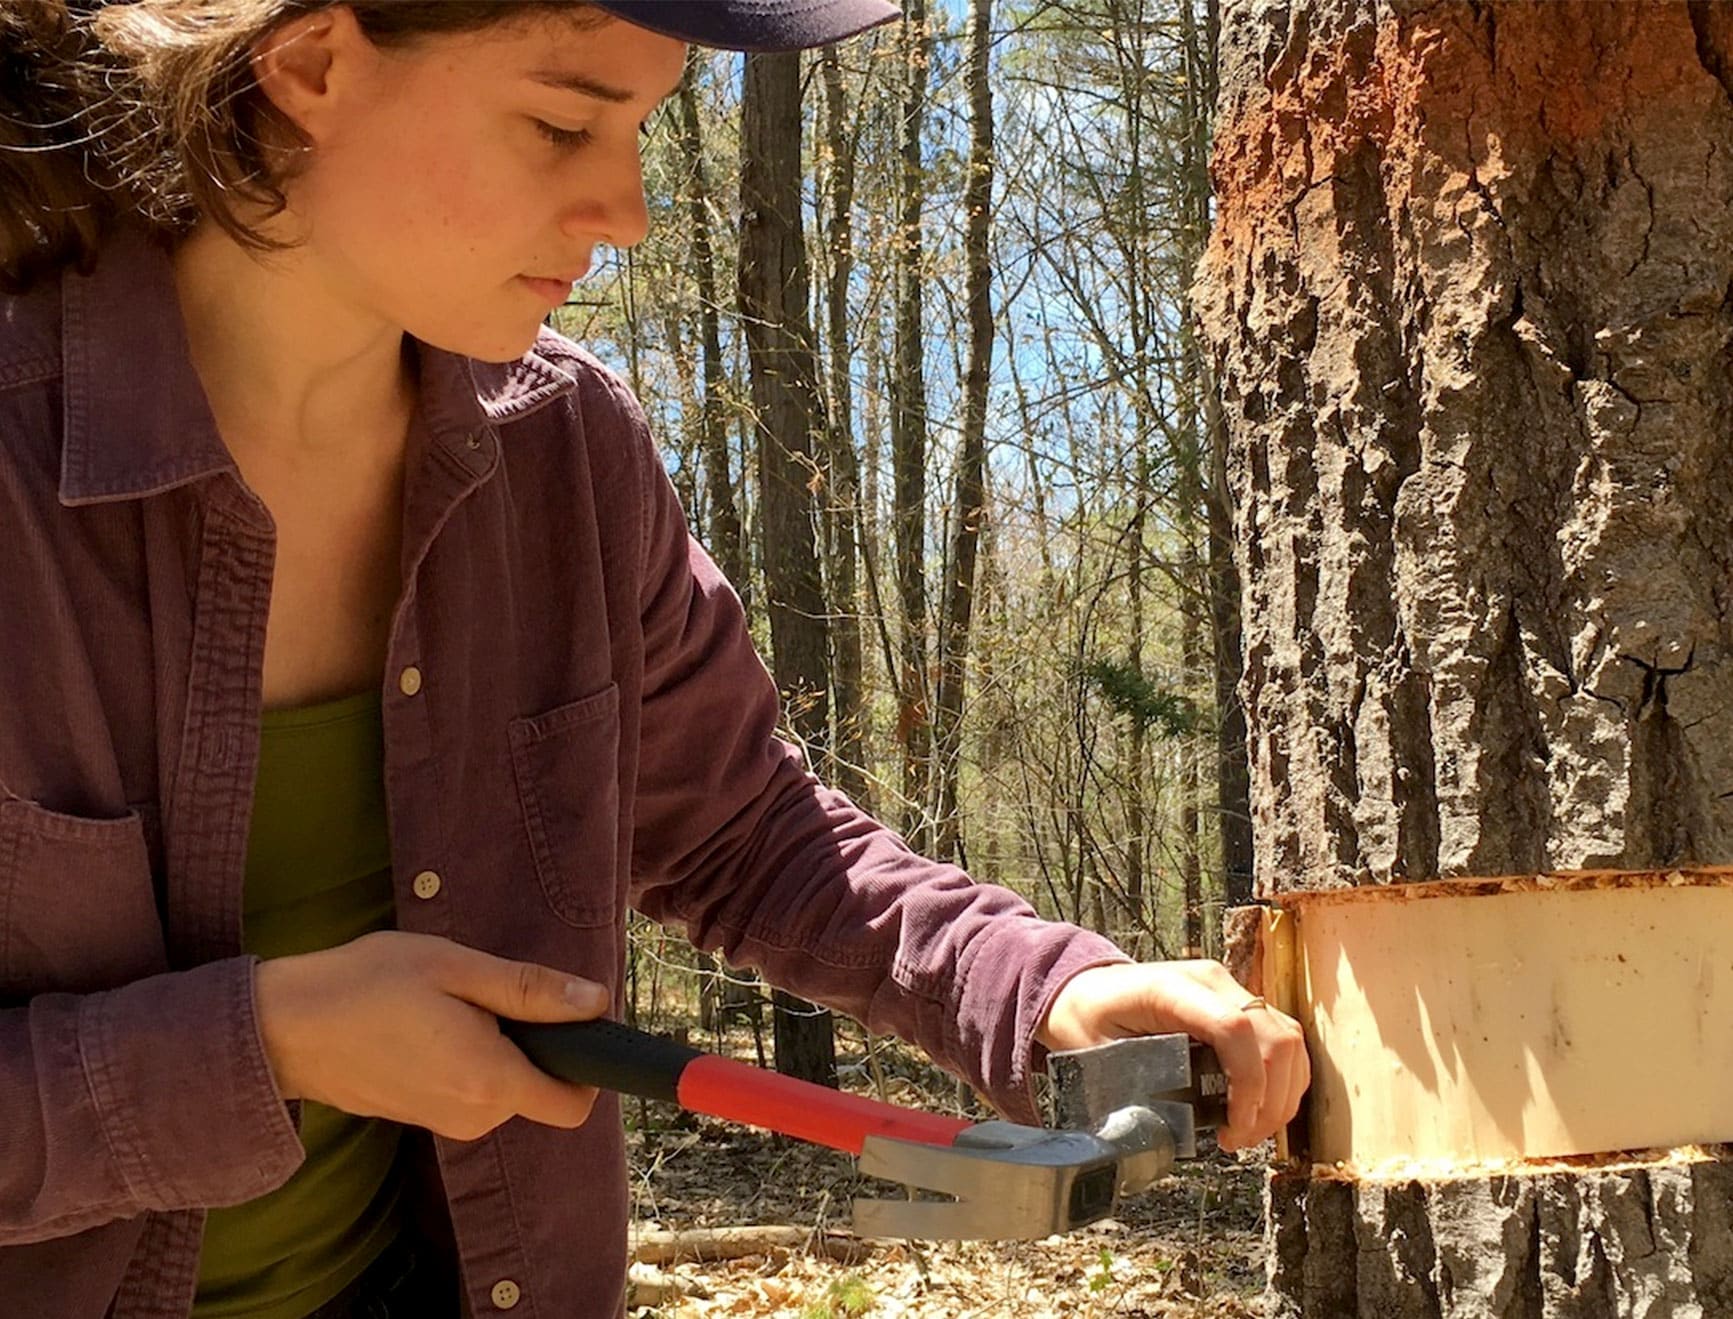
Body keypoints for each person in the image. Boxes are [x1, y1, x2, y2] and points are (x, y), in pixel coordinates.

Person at [0, 1, 1309, 1315]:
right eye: (560, 124)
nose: (621, 211)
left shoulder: (561, 448)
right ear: (312, 67)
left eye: (640, 130)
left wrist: (1039, 989)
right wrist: (265, 1044)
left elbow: (738, 833)